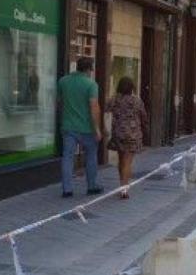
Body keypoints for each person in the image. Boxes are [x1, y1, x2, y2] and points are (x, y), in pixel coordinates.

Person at [58, 57, 103, 198]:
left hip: (68, 126)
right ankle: (91, 186)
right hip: (87, 128)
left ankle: (67, 189)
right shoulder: (91, 84)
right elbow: (94, 107)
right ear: (89, 69)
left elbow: (59, 102)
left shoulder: (63, 81)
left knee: (67, 157)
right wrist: (97, 129)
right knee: (91, 156)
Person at [107, 77, 149, 199]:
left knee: (121, 160)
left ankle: (122, 184)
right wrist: (145, 130)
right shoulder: (137, 101)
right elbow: (144, 117)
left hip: (118, 134)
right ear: (132, 88)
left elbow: (106, 110)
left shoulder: (114, 100)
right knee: (127, 162)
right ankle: (124, 189)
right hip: (133, 135)